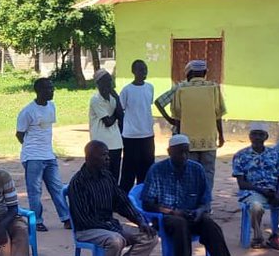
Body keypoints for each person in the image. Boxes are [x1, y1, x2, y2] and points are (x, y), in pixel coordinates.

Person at [142, 134, 243, 256]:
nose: (183, 156)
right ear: (169, 152)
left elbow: (205, 201)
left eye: (186, 152)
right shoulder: (157, 171)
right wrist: (174, 212)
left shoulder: (196, 169)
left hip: (191, 215)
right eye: (179, 152)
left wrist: (199, 212)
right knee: (179, 225)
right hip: (167, 217)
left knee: (212, 227)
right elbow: (148, 203)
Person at [67, 141, 157, 256]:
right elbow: (85, 219)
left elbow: (122, 202)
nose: (108, 158)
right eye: (103, 155)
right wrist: (118, 230)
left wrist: (140, 221)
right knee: (116, 240)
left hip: (109, 226)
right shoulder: (78, 183)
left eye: (108, 155)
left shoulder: (107, 176)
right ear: (89, 157)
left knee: (150, 237)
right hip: (88, 230)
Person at [232, 121, 279, 251]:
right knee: (256, 207)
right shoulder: (240, 156)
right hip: (253, 191)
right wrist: (262, 190)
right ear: (250, 136)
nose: (257, 137)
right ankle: (258, 238)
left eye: (260, 134)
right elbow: (242, 183)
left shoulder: (275, 154)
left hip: (275, 189)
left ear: (266, 137)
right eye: (254, 134)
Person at [155, 59, 225, 192]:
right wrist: (221, 135)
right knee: (208, 172)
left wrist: (175, 129)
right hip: (209, 140)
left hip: (187, 141)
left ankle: (192, 203)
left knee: (190, 172)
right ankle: (206, 204)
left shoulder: (180, 89)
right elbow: (218, 115)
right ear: (204, 72)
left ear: (189, 73)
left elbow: (178, 116)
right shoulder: (214, 88)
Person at [16, 77, 71, 231]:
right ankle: (37, 221)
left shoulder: (51, 107)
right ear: (39, 91)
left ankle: (66, 218)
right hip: (33, 157)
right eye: (49, 88)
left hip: (49, 155)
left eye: (52, 88)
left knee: (57, 188)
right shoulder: (28, 111)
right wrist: (32, 149)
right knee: (35, 191)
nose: (52, 91)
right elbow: (20, 134)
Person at [119, 59, 156, 191]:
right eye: (140, 69)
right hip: (130, 136)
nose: (144, 71)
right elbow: (120, 109)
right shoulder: (127, 90)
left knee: (147, 168)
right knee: (129, 168)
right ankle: (124, 198)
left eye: (145, 69)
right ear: (133, 71)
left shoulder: (150, 87)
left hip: (147, 134)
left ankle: (142, 197)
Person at [89, 69, 124, 181]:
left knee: (114, 176)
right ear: (99, 83)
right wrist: (116, 114)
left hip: (116, 143)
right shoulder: (96, 100)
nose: (110, 84)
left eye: (110, 80)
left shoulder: (113, 99)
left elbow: (121, 117)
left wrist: (117, 99)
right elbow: (108, 122)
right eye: (106, 81)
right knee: (102, 176)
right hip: (101, 143)